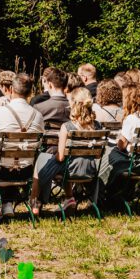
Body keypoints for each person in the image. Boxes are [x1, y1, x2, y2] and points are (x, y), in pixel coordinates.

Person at [30, 87, 99, 215]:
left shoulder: (67, 127)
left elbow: (60, 157)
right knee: (58, 160)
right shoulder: (98, 126)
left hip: (70, 170)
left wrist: (51, 157)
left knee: (42, 159)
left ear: (72, 104)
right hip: (91, 169)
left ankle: (35, 202)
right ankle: (69, 198)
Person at [0, 74, 44, 219]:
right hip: (26, 170)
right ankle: (7, 203)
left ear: (10, 89)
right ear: (30, 92)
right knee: (10, 157)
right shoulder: (38, 116)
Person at [96, 84, 140, 202]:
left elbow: (121, 146)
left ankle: (102, 191)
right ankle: (119, 194)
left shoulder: (132, 118)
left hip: (136, 163)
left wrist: (118, 139)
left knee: (109, 154)